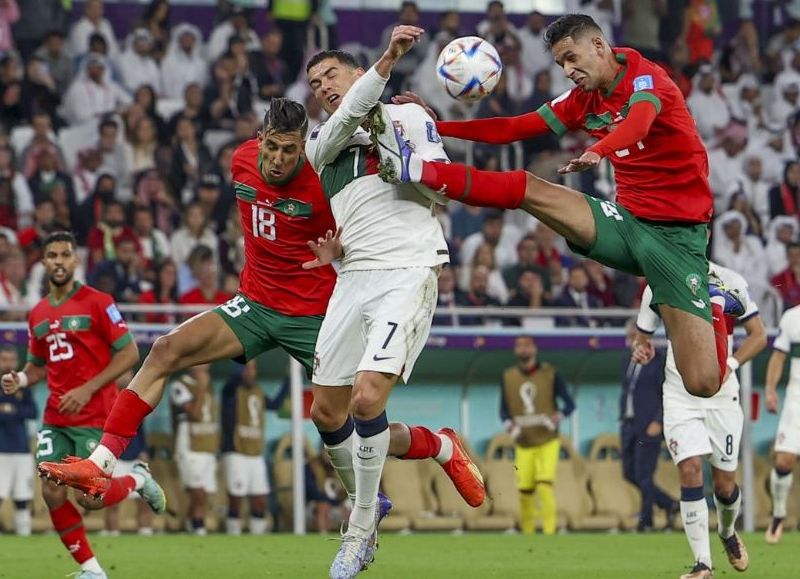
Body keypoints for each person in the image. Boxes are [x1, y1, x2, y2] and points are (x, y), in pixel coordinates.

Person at [39, 99, 481, 546]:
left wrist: (340, 248)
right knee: (166, 350)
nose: (278, 159)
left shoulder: (324, 177)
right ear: (260, 138)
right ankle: (100, 465)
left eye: (290, 150)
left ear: (304, 145)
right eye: (272, 147)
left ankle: (439, 445)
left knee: (358, 418)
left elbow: (369, 225)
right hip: (254, 304)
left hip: (318, 316)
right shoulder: (240, 160)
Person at [386, 13, 745, 401]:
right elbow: (513, 128)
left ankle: (717, 305)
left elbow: (639, 124)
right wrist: (439, 126)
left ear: (598, 45)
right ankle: (420, 170)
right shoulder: (581, 100)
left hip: (678, 238)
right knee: (529, 189)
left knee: (703, 383)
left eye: (572, 58)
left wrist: (598, 150)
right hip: (627, 224)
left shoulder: (646, 77)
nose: (568, 70)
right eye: (560, 64)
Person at [303, 28, 485, 578]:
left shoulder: (410, 118)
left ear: (355, 74)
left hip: (407, 269)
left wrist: (404, 157)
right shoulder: (320, 140)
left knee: (365, 401)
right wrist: (388, 63)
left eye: (331, 75)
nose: (322, 88)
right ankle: (437, 444)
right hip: (352, 276)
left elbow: (439, 190)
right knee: (326, 411)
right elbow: (353, 117)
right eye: (314, 83)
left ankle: (360, 529)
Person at [1, 231, 164, 579]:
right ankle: (93, 571)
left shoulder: (98, 302)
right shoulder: (38, 313)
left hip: (94, 415)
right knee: (51, 490)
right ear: (43, 262)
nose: (59, 261)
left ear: (75, 260)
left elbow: (130, 353)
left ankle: (137, 480)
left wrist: (88, 389)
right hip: (55, 417)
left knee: (91, 498)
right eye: (52, 255)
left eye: (65, 255)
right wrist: (21, 379)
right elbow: (38, 365)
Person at [633, 261, 766, 579]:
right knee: (690, 470)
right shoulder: (659, 282)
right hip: (680, 396)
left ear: (703, 233)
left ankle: (727, 530)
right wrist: (642, 350)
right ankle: (702, 564)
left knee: (724, 486)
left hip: (722, 395)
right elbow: (641, 337)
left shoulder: (730, 280)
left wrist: (731, 365)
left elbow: (759, 336)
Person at [500, 335, 575, 535]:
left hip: (547, 441)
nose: (522, 349)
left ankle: (549, 533)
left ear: (534, 349)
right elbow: (503, 410)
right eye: (518, 346)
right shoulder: (508, 376)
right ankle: (528, 535)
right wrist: (510, 425)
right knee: (525, 491)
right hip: (523, 442)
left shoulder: (550, 373)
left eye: (526, 345)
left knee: (544, 485)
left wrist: (557, 417)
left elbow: (569, 404)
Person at [619, 321, 677, 532]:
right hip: (629, 424)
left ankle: (646, 522)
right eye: (630, 336)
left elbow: (666, 393)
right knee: (628, 472)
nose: (632, 340)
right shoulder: (628, 360)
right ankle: (668, 504)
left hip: (649, 425)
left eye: (636, 335)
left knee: (644, 476)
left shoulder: (659, 360)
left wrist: (659, 421)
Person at [220, 359, 289, 535]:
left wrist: (289, 380)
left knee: (260, 500)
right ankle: (232, 537)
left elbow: (274, 405)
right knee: (236, 498)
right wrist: (241, 363)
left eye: (253, 369)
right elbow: (232, 382)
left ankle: (256, 539)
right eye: (247, 368)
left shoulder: (258, 391)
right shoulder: (231, 391)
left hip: (255, 453)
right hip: (236, 452)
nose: (251, 372)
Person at [765, 303, 800, 544]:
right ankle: (778, 513)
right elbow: (778, 357)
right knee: (783, 460)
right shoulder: (792, 317)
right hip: (796, 399)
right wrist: (769, 390)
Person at [170, 364, 218, 535]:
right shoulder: (180, 385)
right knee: (196, 491)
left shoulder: (209, 386)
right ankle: (200, 528)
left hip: (207, 445)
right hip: (189, 445)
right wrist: (202, 388)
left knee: (203, 492)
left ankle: (192, 526)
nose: (204, 366)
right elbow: (194, 414)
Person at [0, 344, 36, 536]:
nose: (8, 364)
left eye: (11, 360)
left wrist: (9, 410)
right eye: (4, 359)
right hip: (1, 450)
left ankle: (24, 536)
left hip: (22, 451)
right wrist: (13, 412)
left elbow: (33, 411)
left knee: (22, 498)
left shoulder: (24, 388)